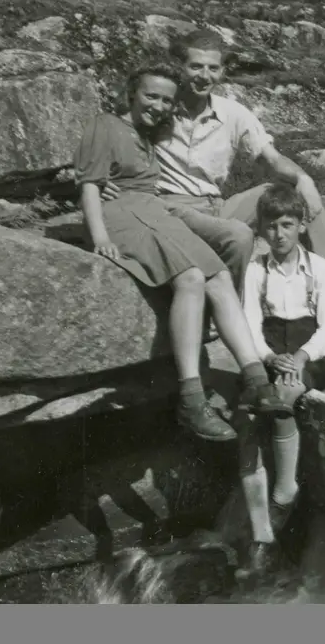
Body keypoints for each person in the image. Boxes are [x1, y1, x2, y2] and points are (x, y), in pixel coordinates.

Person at [99, 28, 325, 307]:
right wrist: (101, 180)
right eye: (195, 66)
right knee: (235, 236)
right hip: (168, 208)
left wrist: (303, 178)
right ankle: (228, 307)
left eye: (213, 68)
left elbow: (272, 159)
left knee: (289, 193)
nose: (204, 76)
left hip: (216, 207)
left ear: (222, 72)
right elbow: (111, 141)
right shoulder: (158, 105)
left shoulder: (233, 113)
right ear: (180, 67)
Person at [73, 64, 289, 443]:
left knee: (219, 275)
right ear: (131, 94)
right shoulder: (104, 124)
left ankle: (255, 380)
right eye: (150, 96)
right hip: (122, 214)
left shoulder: (149, 135)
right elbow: (90, 185)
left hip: (154, 210)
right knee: (189, 279)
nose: (158, 105)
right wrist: (100, 237)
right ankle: (191, 399)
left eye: (166, 100)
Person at [232, 183, 325, 583]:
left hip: (309, 352)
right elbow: (248, 324)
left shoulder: (320, 269)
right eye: (271, 226)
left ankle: (286, 489)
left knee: (283, 398)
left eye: (287, 225)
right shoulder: (257, 270)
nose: (278, 234)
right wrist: (267, 356)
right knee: (246, 417)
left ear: (302, 226)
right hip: (271, 353)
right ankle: (261, 530)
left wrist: (301, 358)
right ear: (261, 229)